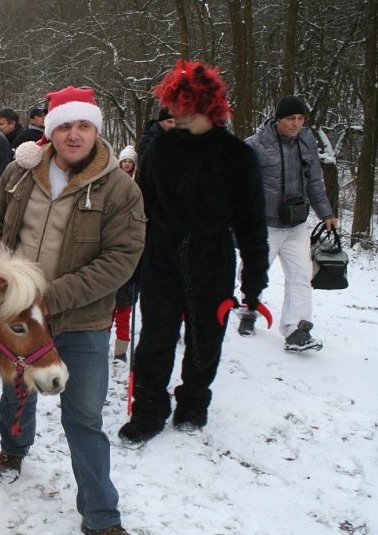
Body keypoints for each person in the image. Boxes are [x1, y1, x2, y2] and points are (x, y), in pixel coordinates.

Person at [0, 86, 143, 535]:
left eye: (84, 126)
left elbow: (121, 259)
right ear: (50, 130)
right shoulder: (19, 173)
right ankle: (14, 447)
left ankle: (101, 517)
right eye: (64, 126)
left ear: (96, 129)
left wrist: (49, 298)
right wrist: (2, 278)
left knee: (84, 418)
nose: (74, 135)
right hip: (19, 317)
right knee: (17, 391)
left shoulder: (119, 188)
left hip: (83, 322)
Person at [117, 61, 269, 446]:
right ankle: (148, 409)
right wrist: (134, 259)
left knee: (206, 337)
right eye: (175, 107)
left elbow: (252, 225)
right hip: (162, 254)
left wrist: (254, 281)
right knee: (156, 337)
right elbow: (143, 209)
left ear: (209, 107)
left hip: (212, 256)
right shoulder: (161, 148)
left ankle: (194, 402)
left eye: (187, 108)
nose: (177, 116)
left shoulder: (238, 157)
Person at [238, 95, 337, 351]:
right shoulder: (256, 145)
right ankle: (248, 313)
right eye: (291, 119)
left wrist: (326, 213)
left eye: (301, 119)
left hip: (296, 223)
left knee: (301, 277)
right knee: (254, 272)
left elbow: (314, 181)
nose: (296, 124)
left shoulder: (307, 142)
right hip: (265, 225)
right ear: (278, 119)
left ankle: (296, 329)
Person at [109, 145, 139, 360]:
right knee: (108, 316)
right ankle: (103, 345)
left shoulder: (137, 184)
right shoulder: (116, 181)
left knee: (123, 318)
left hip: (127, 286)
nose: (127, 164)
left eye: (130, 161)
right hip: (112, 284)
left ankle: (120, 351)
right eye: (124, 161)